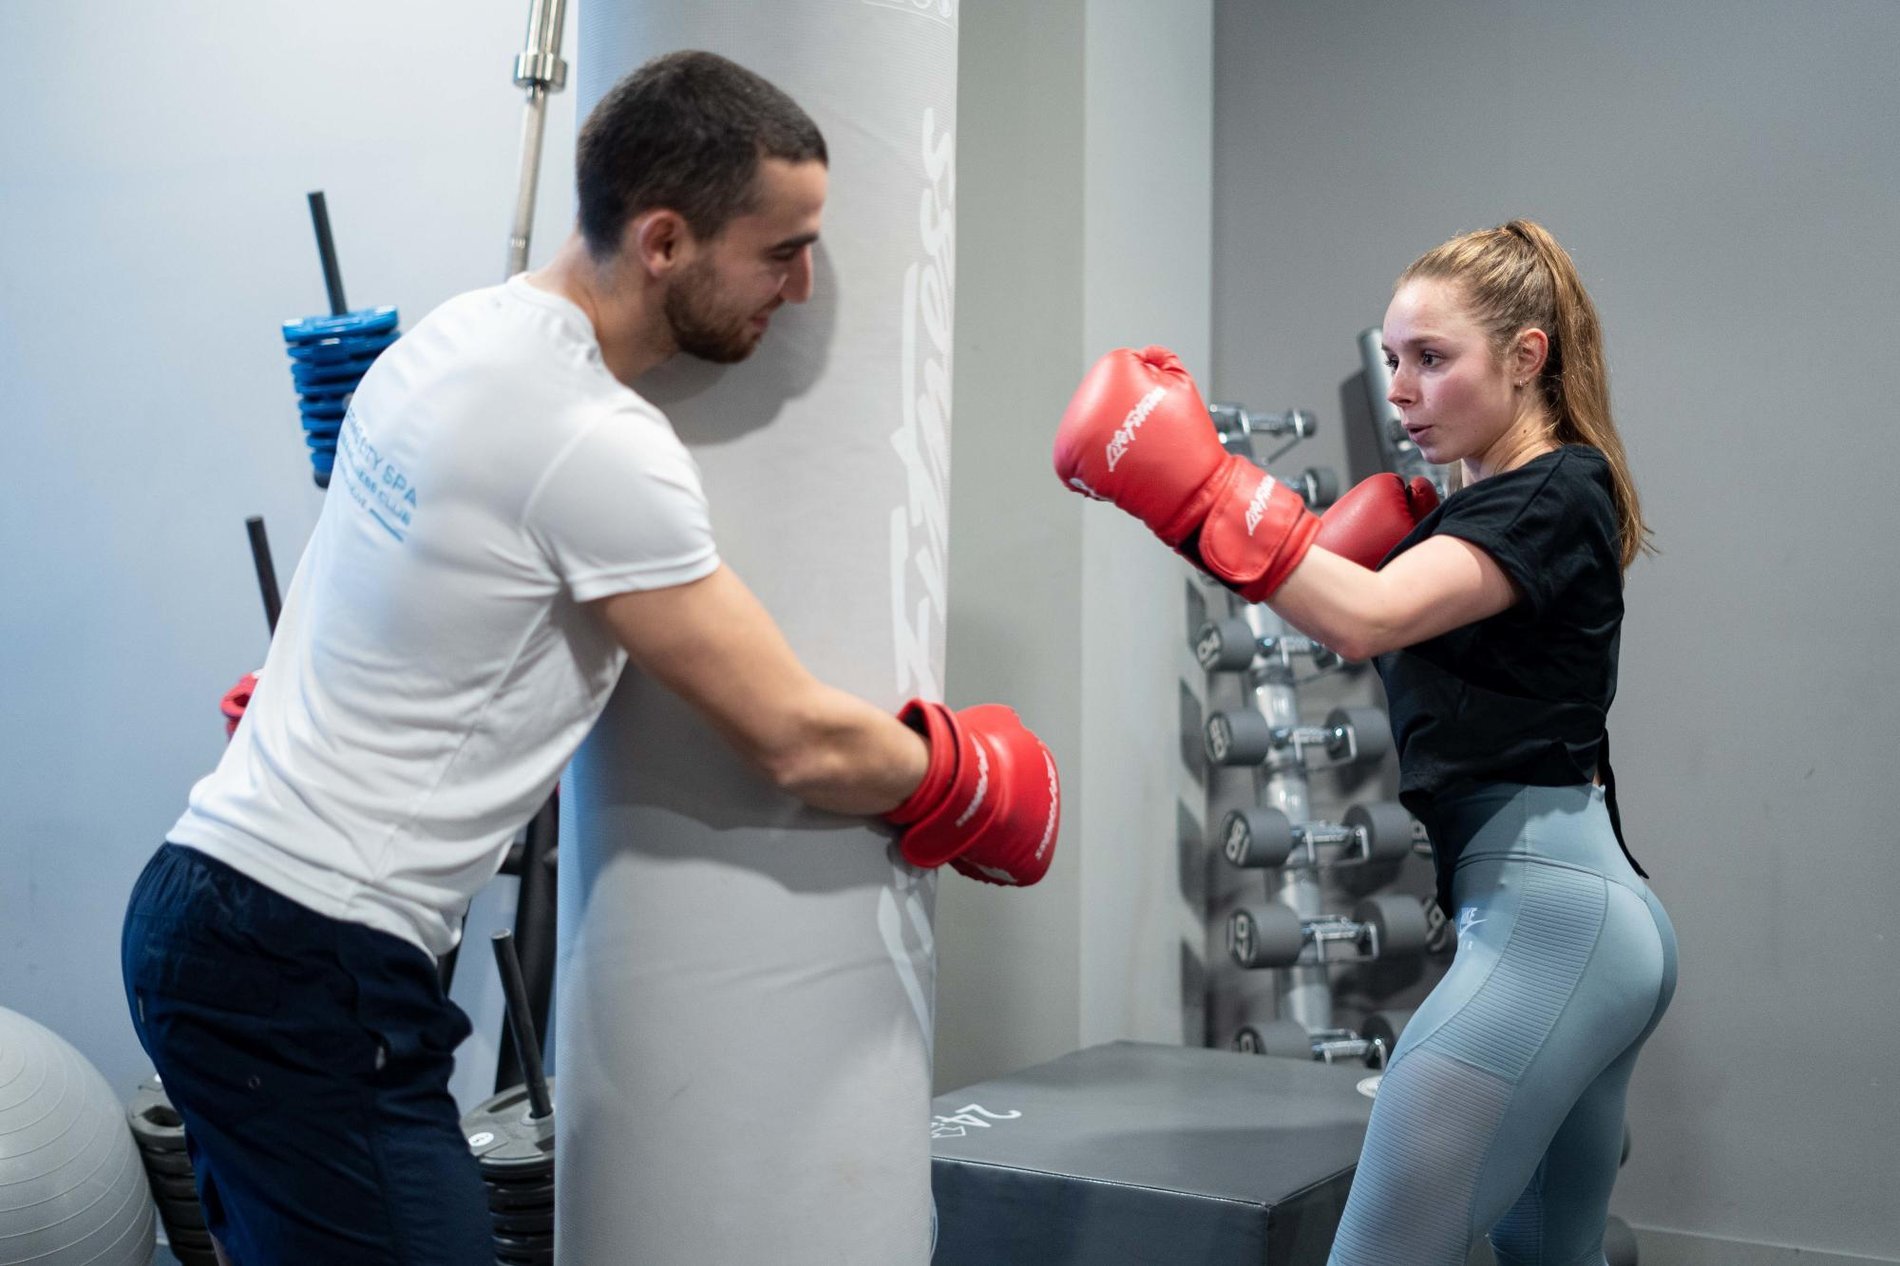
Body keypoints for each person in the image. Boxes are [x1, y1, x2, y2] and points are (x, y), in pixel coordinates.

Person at [122, 50, 1058, 1266]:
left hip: (205, 906)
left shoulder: (456, 337)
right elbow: (794, 738)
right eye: (781, 250)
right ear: (663, 240)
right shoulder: (596, 442)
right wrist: (962, 783)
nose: (804, 286)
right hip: (309, 957)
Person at [1052, 219, 1676, 1265]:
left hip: (1549, 923)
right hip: (1581, 911)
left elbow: (1363, 618)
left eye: (1431, 358)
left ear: (1527, 356)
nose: (1400, 390)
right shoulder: (1490, 508)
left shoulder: (1551, 490)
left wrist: (1197, 486)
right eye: (1392, 360)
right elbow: (1343, 604)